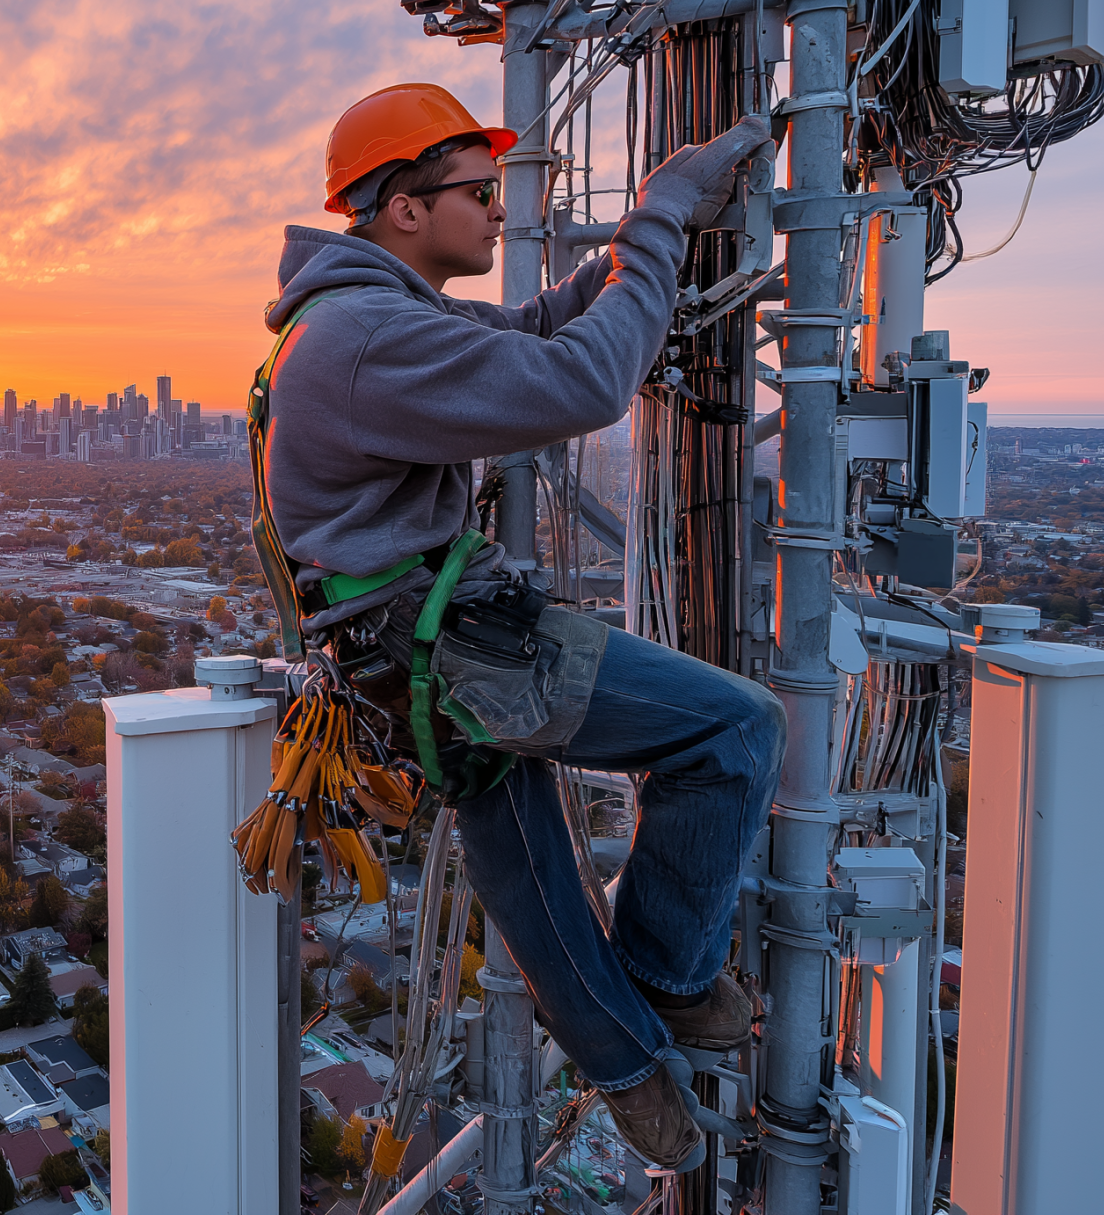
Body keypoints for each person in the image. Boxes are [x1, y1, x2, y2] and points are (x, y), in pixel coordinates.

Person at [259, 82, 777, 1172]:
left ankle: (627, 1065)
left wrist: (641, 232)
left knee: (530, 871)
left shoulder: (366, 317)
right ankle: (670, 985)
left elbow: (538, 326)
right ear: (404, 208)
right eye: (478, 191)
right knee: (731, 732)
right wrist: (663, 218)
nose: (500, 211)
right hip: (452, 646)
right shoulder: (365, 338)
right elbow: (586, 376)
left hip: (400, 663)